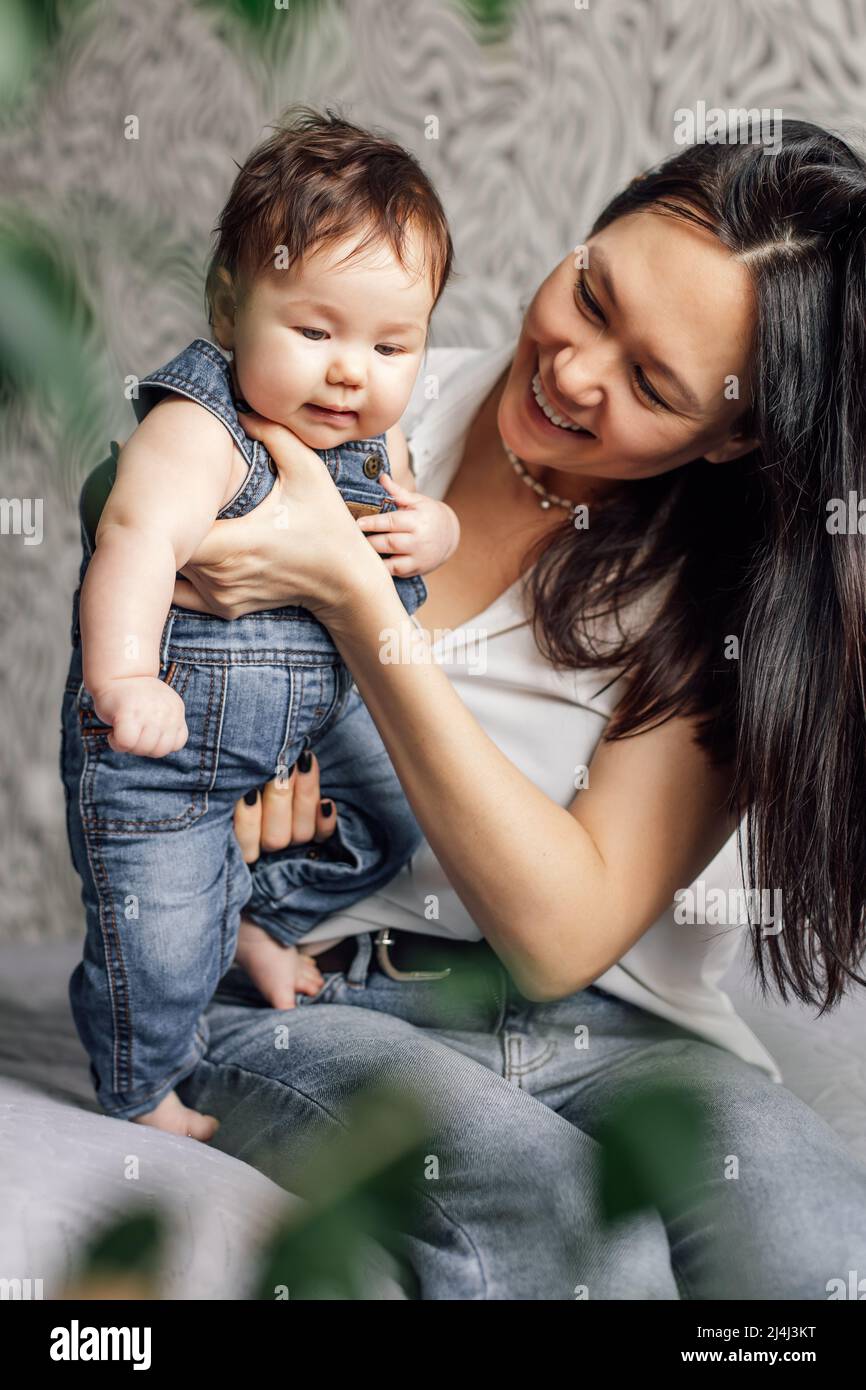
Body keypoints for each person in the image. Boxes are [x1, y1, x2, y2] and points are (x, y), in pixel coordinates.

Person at [100, 118, 866, 1298]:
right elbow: (149, 583)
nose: (570, 370)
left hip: (619, 1034)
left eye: (651, 382)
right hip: (315, 991)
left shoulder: (736, 605)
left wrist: (360, 601)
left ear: (737, 435)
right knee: (577, 1248)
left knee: (820, 1250)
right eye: (590, 293)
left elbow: (560, 935)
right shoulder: (355, 399)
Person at [59, 108, 460, 1139]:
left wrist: (433, 529)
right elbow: (135, 538)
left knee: (401, 816)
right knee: (157, 938)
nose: (348, 370)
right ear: (230, 310)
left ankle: (252, 918)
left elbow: (401, 534)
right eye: (315, 330)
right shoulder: (201, 429)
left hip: (315, 713)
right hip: (170, 748)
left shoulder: (379, 441)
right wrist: (125, 679)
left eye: (389, 343)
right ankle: (141, 1081)